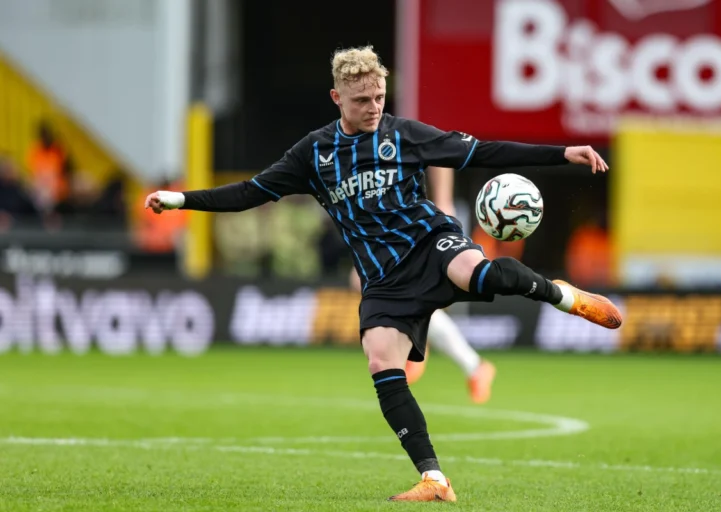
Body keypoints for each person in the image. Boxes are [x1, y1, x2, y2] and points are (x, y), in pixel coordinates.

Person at [145, 46, 621, 502]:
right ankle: (434, 479)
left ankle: (561, 296)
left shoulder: (404, 135)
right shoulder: (315, 154)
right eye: (361, 100)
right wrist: (182, 200)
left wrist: (561, 154)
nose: (373, 107)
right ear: (337, 99)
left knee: (475, 272)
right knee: (381, 363)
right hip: (383, 280)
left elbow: (485, 153)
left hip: (430, 243)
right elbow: (251, 192)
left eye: (379, 97)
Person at [348, 165, 497, 405]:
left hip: (414, 216)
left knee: (385, 282)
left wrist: (444, 201)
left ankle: (418, 340)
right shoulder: (358, 139)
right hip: (381, 218)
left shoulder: (399, 131)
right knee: (363, 281)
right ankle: (457, 357)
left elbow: (438, 155)